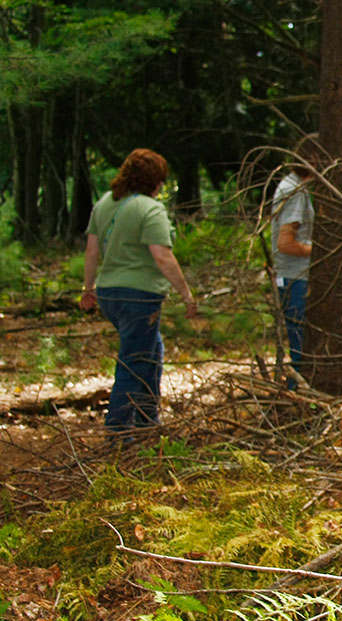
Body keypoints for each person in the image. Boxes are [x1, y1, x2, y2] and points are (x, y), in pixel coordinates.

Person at [80, 148, 197, 431]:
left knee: (152, 350)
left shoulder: (106, 202)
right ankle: (118, 431)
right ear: (155, 180)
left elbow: (92, 250)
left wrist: (88, 288)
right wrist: (186, 294)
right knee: (134, 361)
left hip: (109, 293)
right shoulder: (150, 208)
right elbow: (162, 256)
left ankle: (148, 421)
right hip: (138, 297)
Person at [270, 133, 318, 389]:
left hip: (294, 276)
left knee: (301, 342)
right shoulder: (294, 191)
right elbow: (285, 243)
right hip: (294, 278)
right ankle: (296, 397)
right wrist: (319, 251)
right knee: (300, 346)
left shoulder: (294, 188)